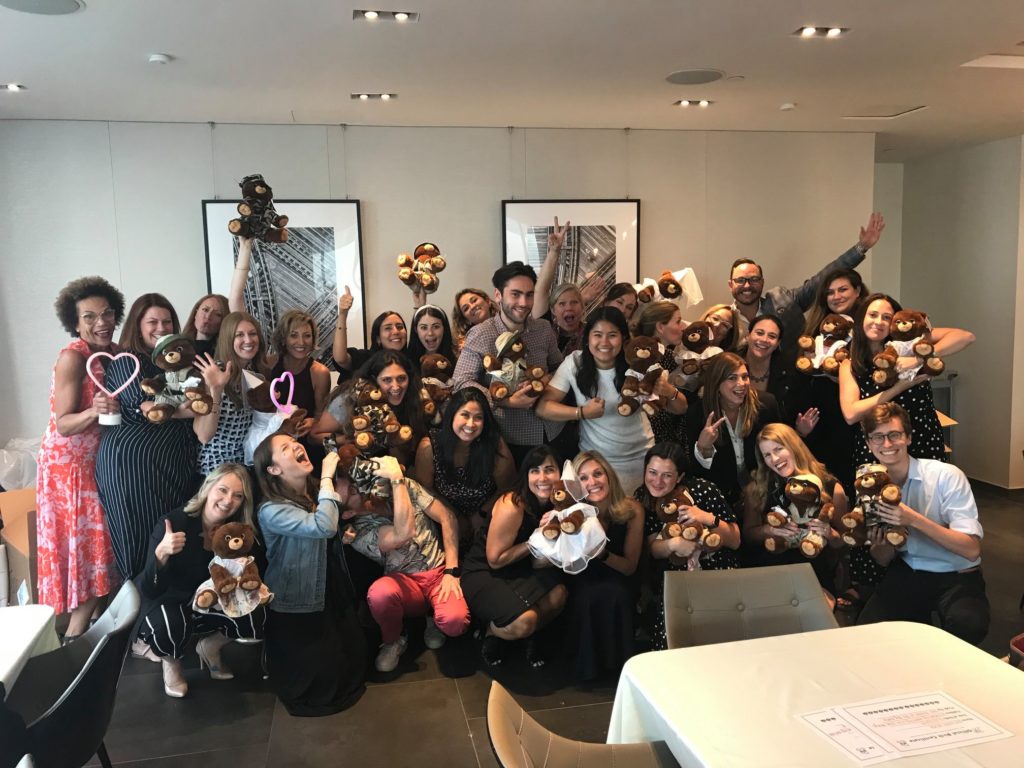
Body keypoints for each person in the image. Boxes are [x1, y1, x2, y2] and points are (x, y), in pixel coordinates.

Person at [855, 404, 989, 645]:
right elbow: (883, 559)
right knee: (868, 632)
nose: (887, 444)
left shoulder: (946, 476)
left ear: (908, 437)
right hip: (909, 570)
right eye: (878, 437)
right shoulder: (869, 485)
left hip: (956, 574)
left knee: (968, 624)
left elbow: (971, 549)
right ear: (868, 443)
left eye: (894, 435)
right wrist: (879, 543)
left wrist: (913, 519)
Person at [37, 276, 125, 641]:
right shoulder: (73, 357)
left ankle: (91, 636)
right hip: (67, 470)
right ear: (74, 323)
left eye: (106, 314)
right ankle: (74, 638)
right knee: (84, 554)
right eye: (89, 317)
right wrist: (94, 410)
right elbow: (64, 424)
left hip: (95, 464)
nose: (100, 323)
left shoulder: (117, 352)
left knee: (97, 552)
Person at [255, 433, 367, 716]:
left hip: (328, 584)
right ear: (273, 469)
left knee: (346, 652)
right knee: (314, 673)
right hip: (297, 597)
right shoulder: (271, 509)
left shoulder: (311, 491)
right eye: (285, 448)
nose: (296, 445)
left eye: (295, 441)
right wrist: (328, 478)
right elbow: (322, 527)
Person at [135, 464, 266, 698]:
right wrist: (161, 554)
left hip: (211, 601)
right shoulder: (173, 523)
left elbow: (252, 571)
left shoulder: (239, 532)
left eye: (238, 496)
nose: (228, 500)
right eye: (223, 490)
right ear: (207, 488)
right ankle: (171, 663)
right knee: (169, 624)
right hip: (169, 601)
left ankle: (211, 646)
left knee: (257, 611)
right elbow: (149, 589)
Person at [96, 293, 200, 581]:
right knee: (139, 540)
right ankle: (139, 610)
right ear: (137, 326)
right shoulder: (129, 362)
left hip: (171, 464)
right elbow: (150, 408)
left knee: (169, 536)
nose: (161, 327)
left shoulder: (176, 362)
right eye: (152, 321)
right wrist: (199, 408)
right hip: (133, 468)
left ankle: (164, 606)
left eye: (167, 321)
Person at [343, 454, 470, 673]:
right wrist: (397, 480)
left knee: (455, 622)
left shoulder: (406, 487)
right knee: (379, 593)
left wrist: (451, 569)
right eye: (352, 492)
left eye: (357, 485)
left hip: (439, 571)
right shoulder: (359, 531)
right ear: (347, 511)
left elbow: (447, 517)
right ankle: (394, 639)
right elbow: (403, 533)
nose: (359, 489)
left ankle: (433, 618)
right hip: (404, 584)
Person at [538, 307, 685, 493]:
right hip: (595, 463)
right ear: (588, 337)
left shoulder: (639, 363)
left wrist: (669, 391)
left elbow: (680, 407)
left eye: (612, 335)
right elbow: (543, 407)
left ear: (624, 338)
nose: (604, 342)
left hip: (639, 457)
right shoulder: (575, 363)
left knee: (637, 514)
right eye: (597, 335)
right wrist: (581, 413)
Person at [461, 446, 567, 667]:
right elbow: (495, 559)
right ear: (525, 474)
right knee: (525, 621)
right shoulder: (513, 503)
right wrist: (535, 541)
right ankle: (492, 632)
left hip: (523, 568)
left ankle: (525, 635)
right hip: (486, 572)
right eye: (535, 470)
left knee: (559, 595)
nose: (543, 477)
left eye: (550, 470)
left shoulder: (559, 503)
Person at [452, 261, 565, 466]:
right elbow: (461, 382)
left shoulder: (543, 328)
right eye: (515, 294)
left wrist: (545, 379)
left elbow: (559, 366)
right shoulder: (481, 333)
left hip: (554, 430)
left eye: (529, 295)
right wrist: (506, 401)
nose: (523, 302)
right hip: (510, 437)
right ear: (498, 295)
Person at [728, 212, 885, 352]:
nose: (747, 285)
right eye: (741, 280)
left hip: (793, 379)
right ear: (730, 285)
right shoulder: (724, 318)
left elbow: (824, 277)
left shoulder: (781, 300)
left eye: (754, 279)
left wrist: (861, 248)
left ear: (762, 282)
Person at [635, 442, 740, 650]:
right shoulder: (642, 497)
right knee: (672, 641)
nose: (657, 481)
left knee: (722, 637)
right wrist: (674, 544)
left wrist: (707, 518)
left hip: (717, 567)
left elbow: (735, 540)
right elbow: (651, 549)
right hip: (675, 574)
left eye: (667, 475)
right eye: (652, 472)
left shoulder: (703, 489)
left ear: (680, 477)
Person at [565, 451, 644, 682]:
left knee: (616, 593)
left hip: (619, 572)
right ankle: (588, 668)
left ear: (608, 476)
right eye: (584, 478)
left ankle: (617, 665)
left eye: (597, 474)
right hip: (584, 575)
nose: (593, 482)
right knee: (586, 596)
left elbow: (630, 567)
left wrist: (602, 554)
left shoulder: (632, 510)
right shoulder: (573, 513)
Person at [742, 423, 845, 591]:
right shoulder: (758, 486)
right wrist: (770, 530)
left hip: (816, 573)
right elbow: (749, 535)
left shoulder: (829, 485)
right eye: (767, 455)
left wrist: (829, 532)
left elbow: (843, 541)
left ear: (793, 446)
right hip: (773, 573)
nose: (774, 459)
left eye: (778, 449)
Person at [412, 388, 516, 548]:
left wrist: (480, 515)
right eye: (465, 415)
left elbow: (508, 488)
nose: (471, 424)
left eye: (478, 418)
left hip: (486, 517)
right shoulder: (429, 446)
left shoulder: (495, 447)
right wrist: (453, 517)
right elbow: (424, 490)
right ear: (452, 414)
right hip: (442, 517)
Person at [799, 268, 870, 497]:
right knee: (823, 479)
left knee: (853, 476)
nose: (836, 296)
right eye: (830, 292)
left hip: (853, 414)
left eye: (843, 289)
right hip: (820, 414)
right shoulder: (816, 330)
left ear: (858, 291)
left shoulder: (867, 330)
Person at [686, 352, 782, 508]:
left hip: (764, 492)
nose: (742, 383)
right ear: (716, 383)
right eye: (732, 378)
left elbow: (781, 447)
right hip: (722, 498)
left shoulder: (766, 404)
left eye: (745, 377)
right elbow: (698, 474)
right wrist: (703, 448)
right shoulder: (697, 413)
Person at [314, 350, 429, 467]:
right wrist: (348, 439)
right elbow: (314, 435)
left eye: (401, 379)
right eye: (387, 380)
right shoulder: (351, 397)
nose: (396, 386)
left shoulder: (415, 397)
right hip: (353, 470)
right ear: (374, 379)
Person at [193, 311, 270, 474]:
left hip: (244, 468)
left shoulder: (250, 373)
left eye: (252, 334)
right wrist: (216, 390)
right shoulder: (213, 372)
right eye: (239, 335)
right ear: (228, 340)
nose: (248, 340)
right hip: (215, 471)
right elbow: (204, 436)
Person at [742, 314, 813, 431]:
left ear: (777, 343)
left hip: (776, 443)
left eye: (772, 336)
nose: (764, 339)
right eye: (759, 333)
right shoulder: (730, 366)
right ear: (748, 336)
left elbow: (797, 418)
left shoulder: (792, 372)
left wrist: (800, 432)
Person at [267, 309, 331, 436]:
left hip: (304, 440)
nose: (301, 342)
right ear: (283, 339)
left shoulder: (320, 373)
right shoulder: (269, 364)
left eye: (307, 336)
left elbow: (321, 417)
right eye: (293, 335)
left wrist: (313, 422)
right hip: (271, 439)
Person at [632, 301, 688, 445]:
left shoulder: (636, 352)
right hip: (654, 438)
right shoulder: (663, 357)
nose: (683, 327)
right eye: (678, 321)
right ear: (660, 327)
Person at [332, 288, 408, 381]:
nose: (396, 331)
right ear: (378, 338)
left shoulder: (412, 361)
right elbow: (341, 359)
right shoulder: (366, 359)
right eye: (388, 328)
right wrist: (343, 314)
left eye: (400, 327)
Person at [407, 304, 457, 369]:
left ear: (444, 328)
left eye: (436, 327)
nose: (430, 333)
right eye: (424, 327)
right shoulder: (407, 362)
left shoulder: (458, 359)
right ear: (416, 330)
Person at [451, 288, 496, 352]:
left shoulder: (508, 321)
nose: (472, 307)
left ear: (487, 300)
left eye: (474, 300)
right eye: (466, 308)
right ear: (465, 319)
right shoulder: (468, 344)